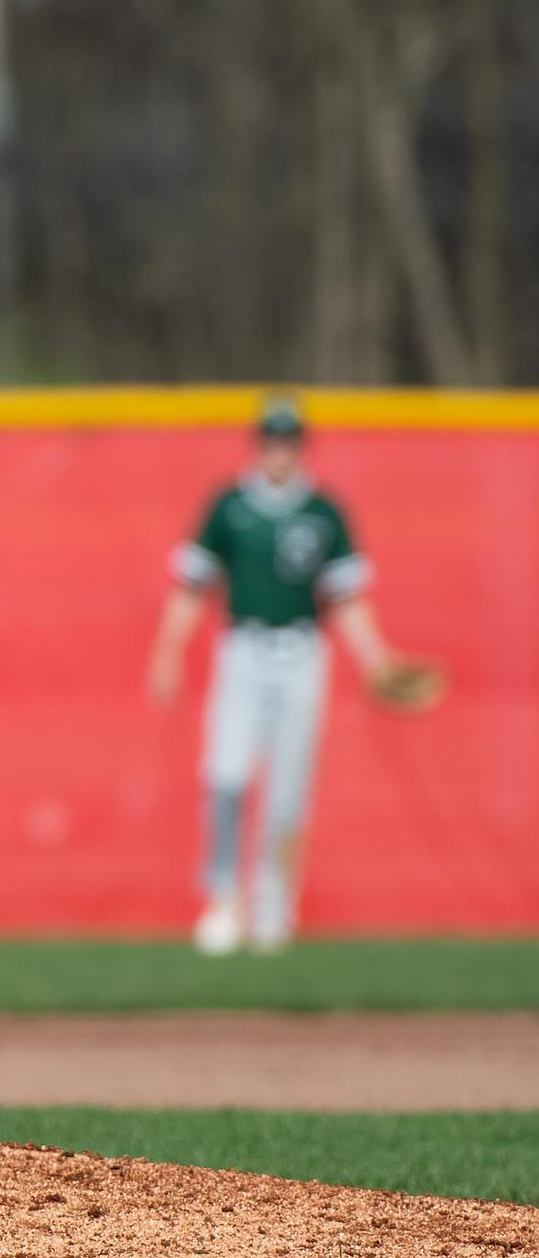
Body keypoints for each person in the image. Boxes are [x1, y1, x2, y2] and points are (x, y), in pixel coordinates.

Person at [147, 399, 402, 955]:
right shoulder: (230, 506)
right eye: (271, 439)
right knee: (226, 776)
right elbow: (192, 585)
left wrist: (376, 658)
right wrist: (168, 653)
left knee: (288, 791)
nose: (279, 449)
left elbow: (346, 597)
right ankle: (222, 898)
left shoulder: (323, 511)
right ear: (258, 443)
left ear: (301, 445)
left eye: (289, 440)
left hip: (303, 652)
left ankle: (273, 906)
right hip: (243, 647)